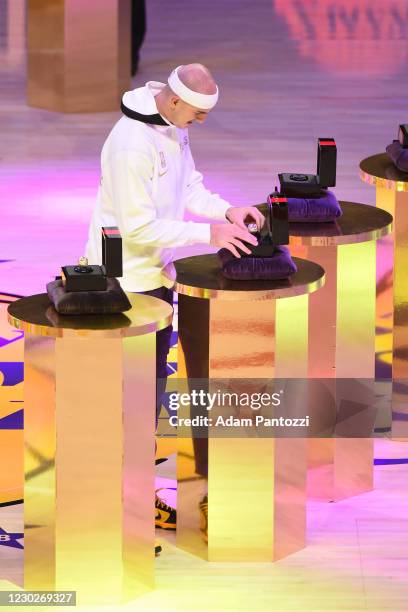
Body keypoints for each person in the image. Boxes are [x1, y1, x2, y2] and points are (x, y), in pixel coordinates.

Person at [85, 63, 264, 545]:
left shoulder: (173, 125)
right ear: (174, 100)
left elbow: (188, 187)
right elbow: (138, 227)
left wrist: (226, 210)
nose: (201, 122)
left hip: (156, 277)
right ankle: (120, 500)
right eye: (198, 113)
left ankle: (134, 488)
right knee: (132, 395)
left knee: (151, 391)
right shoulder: (129, 144)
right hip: (124, 284)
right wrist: (209, 234)